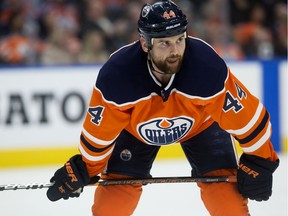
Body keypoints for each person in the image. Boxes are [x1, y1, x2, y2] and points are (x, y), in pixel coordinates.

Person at [46, 1, 279, 215]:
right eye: (165, 43)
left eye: (180, 39)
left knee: (228, 205)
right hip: (135, 132)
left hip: (201, 126)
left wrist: (261, 159)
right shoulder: (117, 75)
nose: (175, 50)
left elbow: (247, 117)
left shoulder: (206, 66)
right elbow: (100, 134)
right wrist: (84, 169)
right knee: (110, 208)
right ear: (145, 43)